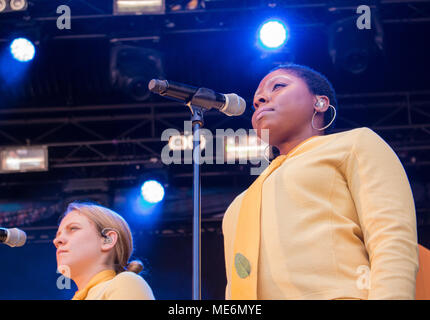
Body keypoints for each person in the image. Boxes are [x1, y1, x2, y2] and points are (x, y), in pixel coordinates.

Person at [222, 63, 419, 300]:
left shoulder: (354, 144)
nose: (261, 99)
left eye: (278, 86)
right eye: (257, 101)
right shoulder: (240, 203)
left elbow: (392, 239)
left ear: (320, 103)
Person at [53, 202, 155, 300]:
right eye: (58, 234)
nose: (56, 240)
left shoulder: (125, 282)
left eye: (73, 228)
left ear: (107, 240)